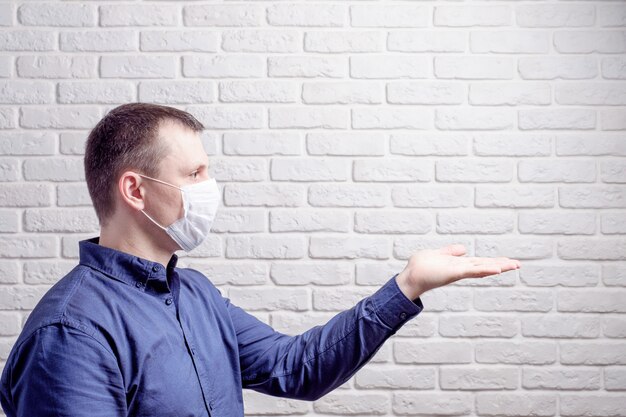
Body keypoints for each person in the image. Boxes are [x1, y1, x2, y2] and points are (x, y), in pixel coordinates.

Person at [0, 103, 521, 417]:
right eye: (195, 173)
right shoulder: (70, 333)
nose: (210, 189)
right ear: (135, 190)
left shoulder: (195, 294)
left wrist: (406, 286)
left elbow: (297, 368)